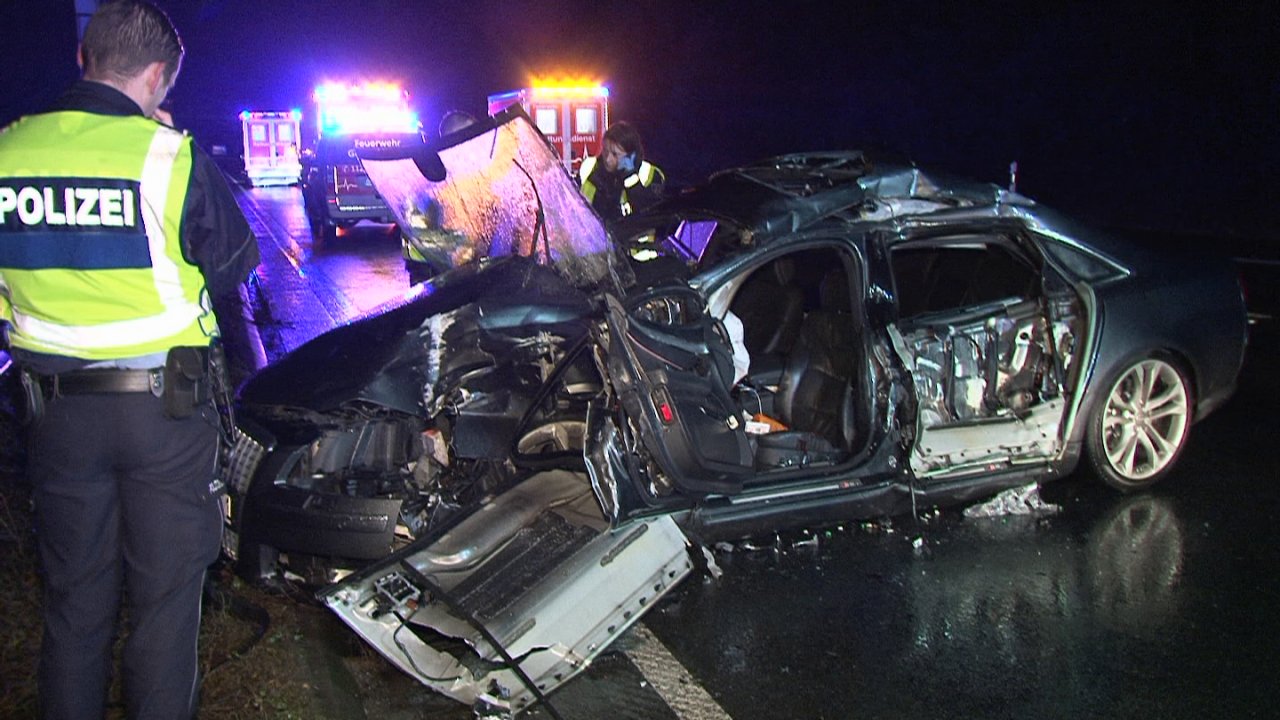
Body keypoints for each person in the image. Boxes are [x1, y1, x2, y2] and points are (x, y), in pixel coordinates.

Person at [0, 2, 260, 718]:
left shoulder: (7, 151)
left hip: (53, 416)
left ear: (83, 60)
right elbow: (237, 265)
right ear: (155, 76)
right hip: (163, 418)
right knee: (164, 603)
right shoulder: (166, 156)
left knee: (74, 602)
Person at [402, 109, 478, 284]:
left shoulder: (473, 176)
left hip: (472, 275)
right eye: (470, 138)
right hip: (432, 279)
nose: (474, 144)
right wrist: (457, 246)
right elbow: (420, 235)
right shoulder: (428, 181)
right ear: (453, 141)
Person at [579, 120, 666, 222]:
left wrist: (631, 179)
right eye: (605, 151)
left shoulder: (650, 175)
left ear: (631, 156)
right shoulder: (590, 169)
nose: (608, 159)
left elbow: (652, 214)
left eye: (615, 154)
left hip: (638, 237)